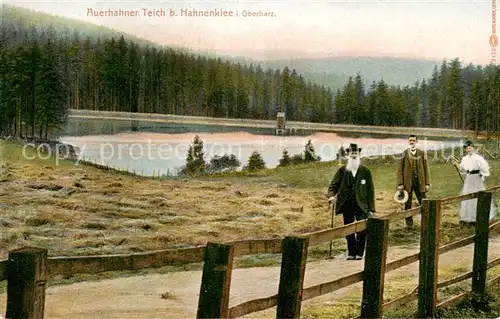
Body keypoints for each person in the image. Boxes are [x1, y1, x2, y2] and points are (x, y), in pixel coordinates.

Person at [326, 143, 375, 260]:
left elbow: (370, 192)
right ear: (348, 155)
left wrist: (372, 209)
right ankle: (351, 253)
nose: (353, 156)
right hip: (346, 204)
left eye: (356, 153)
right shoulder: (342, 171)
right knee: (348, 229)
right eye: (351, 153)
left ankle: (359, 253)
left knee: (362, 229)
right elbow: (333, 186)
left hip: (361, 205)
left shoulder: (366, 171)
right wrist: (331, 197)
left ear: (359, 155)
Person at [452, 140, 496, 226]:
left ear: (473, 148)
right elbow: (462, 169)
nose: (468, 150)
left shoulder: (479, 158)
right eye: (467, 148)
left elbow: (485, 169)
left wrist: (481, 174)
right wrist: (456, 164)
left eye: (470, 148)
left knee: (477, 196)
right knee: (468, 196)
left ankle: (478, 217)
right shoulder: (465, 159)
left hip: (477, 179)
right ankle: (468, 218)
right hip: (469, 179)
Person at [396, 134, 430, 230]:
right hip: (408, 183)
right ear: (408, 141)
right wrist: (400, 184)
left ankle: (426, 223)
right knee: (408, 205)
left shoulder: (422, 153)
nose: (412, 142)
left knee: (424, 203)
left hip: (420, 183)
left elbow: (426, 169)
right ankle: (409, 225)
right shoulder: (404, 154)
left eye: (413, 140)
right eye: (410, 140)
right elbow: (399, 170)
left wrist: (427, 183)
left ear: (416, 142)